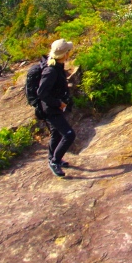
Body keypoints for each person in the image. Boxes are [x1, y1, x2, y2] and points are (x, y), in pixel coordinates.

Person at [34, 38, 75, 178]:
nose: (70, 53)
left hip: (52, 108)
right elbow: (41, 93)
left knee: (56, 133)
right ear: (64, 54)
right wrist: (58, 103)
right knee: (69, 135)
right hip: (51, 110)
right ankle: (55, 161)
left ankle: (52, 157)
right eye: (68, 51)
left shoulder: (57, 65)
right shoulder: (50, 71)